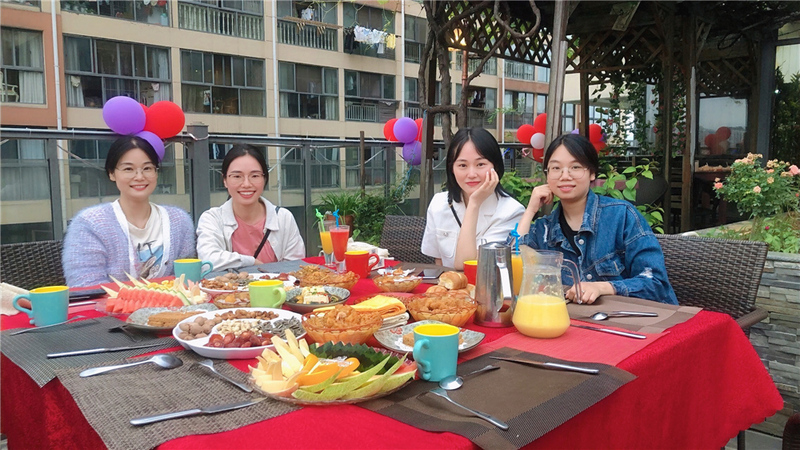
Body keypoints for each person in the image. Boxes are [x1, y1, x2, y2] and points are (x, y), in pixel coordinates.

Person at [518, 134, 678, 305]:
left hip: (631, 317)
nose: (565, 176)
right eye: (556, 168)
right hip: (573, 319)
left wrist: (603, 288)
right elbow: (512, 268)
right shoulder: (544, 230)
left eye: (575, 167)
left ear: (592, 173)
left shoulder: (621, 216)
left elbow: (656, 283)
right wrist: (530, 210)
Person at [62, 136, 195, 287]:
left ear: (156, 172)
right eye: (128, 169)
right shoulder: (90, 223)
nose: (139, 177)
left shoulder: (179, 221)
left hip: (172, 302)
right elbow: (86, 285)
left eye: (147, 168)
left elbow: (187, 280)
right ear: (112, 173)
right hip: (111, 303)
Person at [421, 127, 525, 269]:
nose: (471, 174)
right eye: (462, 165)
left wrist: (474, 203)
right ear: (452, 168)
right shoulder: (439, 204)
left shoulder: (511, 212)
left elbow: (466, 266)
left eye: (480, 164)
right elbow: (438, 263)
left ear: (496, 166)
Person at [197, 145, 305, 271]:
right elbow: (207, 262)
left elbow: (296, 267)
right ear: (225, 180)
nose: (246, 184)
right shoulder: (212, 219)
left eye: (255, 176)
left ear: (264, 179)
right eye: (237, 176)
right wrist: (251, 262)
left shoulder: (283, 218)